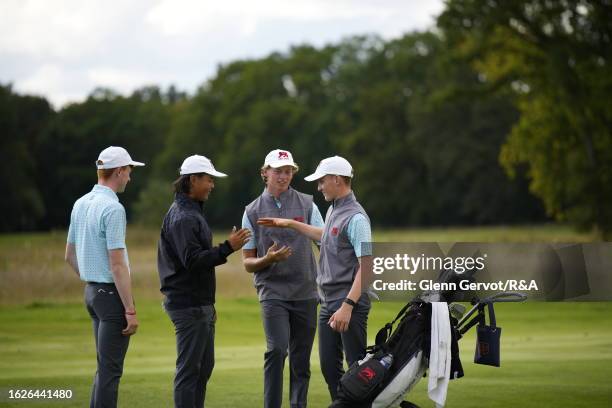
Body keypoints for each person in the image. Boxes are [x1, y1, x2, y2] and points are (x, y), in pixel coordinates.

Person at [258, 156, 372, 401]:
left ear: (337, 180)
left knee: (356, 370)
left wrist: (348, 306)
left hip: (348, 303)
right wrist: (291, 224)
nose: (319, 187)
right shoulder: (334, 209)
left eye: (322, 182)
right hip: (328, 301)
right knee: (330, 368)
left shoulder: (357, 218)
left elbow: (368, 266)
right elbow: (327, 235)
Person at [157, 154, 251, 408]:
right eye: (208, 179)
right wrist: (228, 247)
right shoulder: (184, 217)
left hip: (199, 305)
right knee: (190, 372)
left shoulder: (191, 212)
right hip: (188, 306)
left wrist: (208, 304)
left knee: (202, 368)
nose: (212, 184)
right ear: (192, 180)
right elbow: (193, 261)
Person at [242, 149, 324, 408]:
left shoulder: (308, 203)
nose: (283, 176)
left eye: (288, 171)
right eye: (277, 170)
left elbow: (323, 239)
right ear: (265, 173)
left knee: (301, 360)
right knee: (277, 350)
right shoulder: (252, 211)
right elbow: (248, 262)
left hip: (306, 292)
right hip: (273, 292)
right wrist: (268, 260)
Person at [65, 146, 144, 408]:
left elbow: (69, 255)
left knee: (103, 370)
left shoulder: (80, 203)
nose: (130, 178)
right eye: (129, 172)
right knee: (110, 373)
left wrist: (92, 277)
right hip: (110, 299)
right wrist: (130, 309)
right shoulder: (113, 209)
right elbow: (118, 264)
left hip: (91, 293)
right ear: (119, 171)